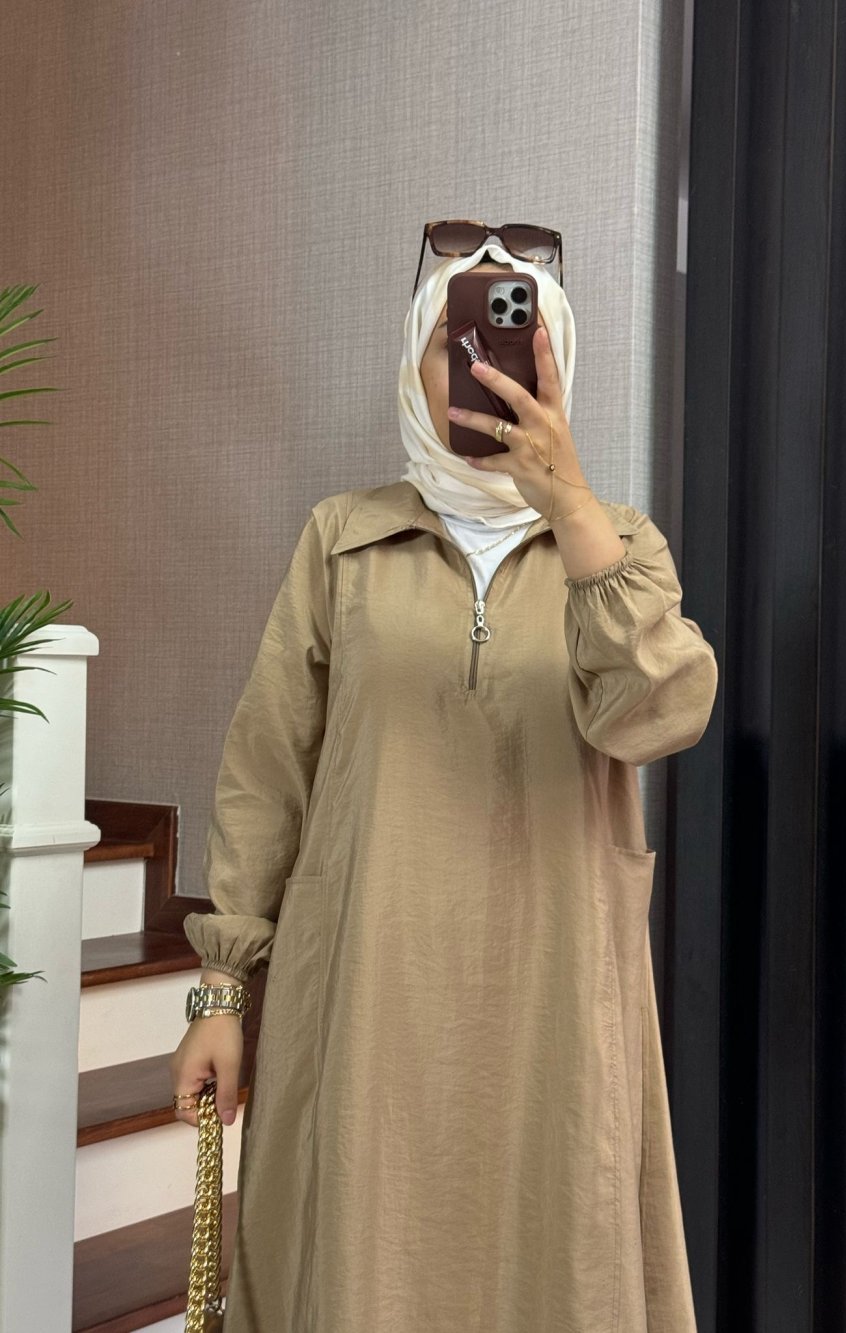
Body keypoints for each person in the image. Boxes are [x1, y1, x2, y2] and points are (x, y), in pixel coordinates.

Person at [170, 221, 718, 1331]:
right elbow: (267, 770)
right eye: (453, 345)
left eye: (514, 344)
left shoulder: (619, 548)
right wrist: (223, 991)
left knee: (552, 1254)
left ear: (556, 364)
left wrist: (570, 508)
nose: (481, 368)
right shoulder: (342, 540)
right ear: (415, 363)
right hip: (368, 990)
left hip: (553, 992)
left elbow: (660, 714)